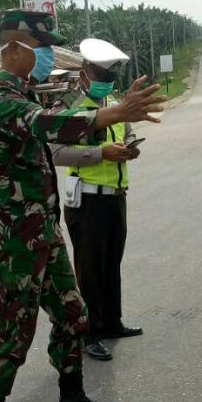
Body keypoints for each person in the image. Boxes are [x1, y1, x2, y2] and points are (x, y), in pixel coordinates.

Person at [0, 10, 167, 402]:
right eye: (42, 48)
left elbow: (53, 131)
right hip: (15, 237)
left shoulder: (24, 93)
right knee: (13, 327)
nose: (47, 56)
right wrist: (112, 114)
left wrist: (113, 119)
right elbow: (47, 125)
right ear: (14, 48)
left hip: (43, 229)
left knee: (73, 314)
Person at [50, 38, 142, 363]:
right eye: (102, 76)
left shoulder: (114, 102)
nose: (107, 82)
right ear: (85, 73)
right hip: (87, 200)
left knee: (112, 264)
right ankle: (90, 334)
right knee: (89, 270)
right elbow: (57, 152)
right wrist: (101, 153)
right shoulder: (69, 106)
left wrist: (131, 145)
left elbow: (126, 130)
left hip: (116, 196)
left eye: (110, 77)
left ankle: (112, 322)